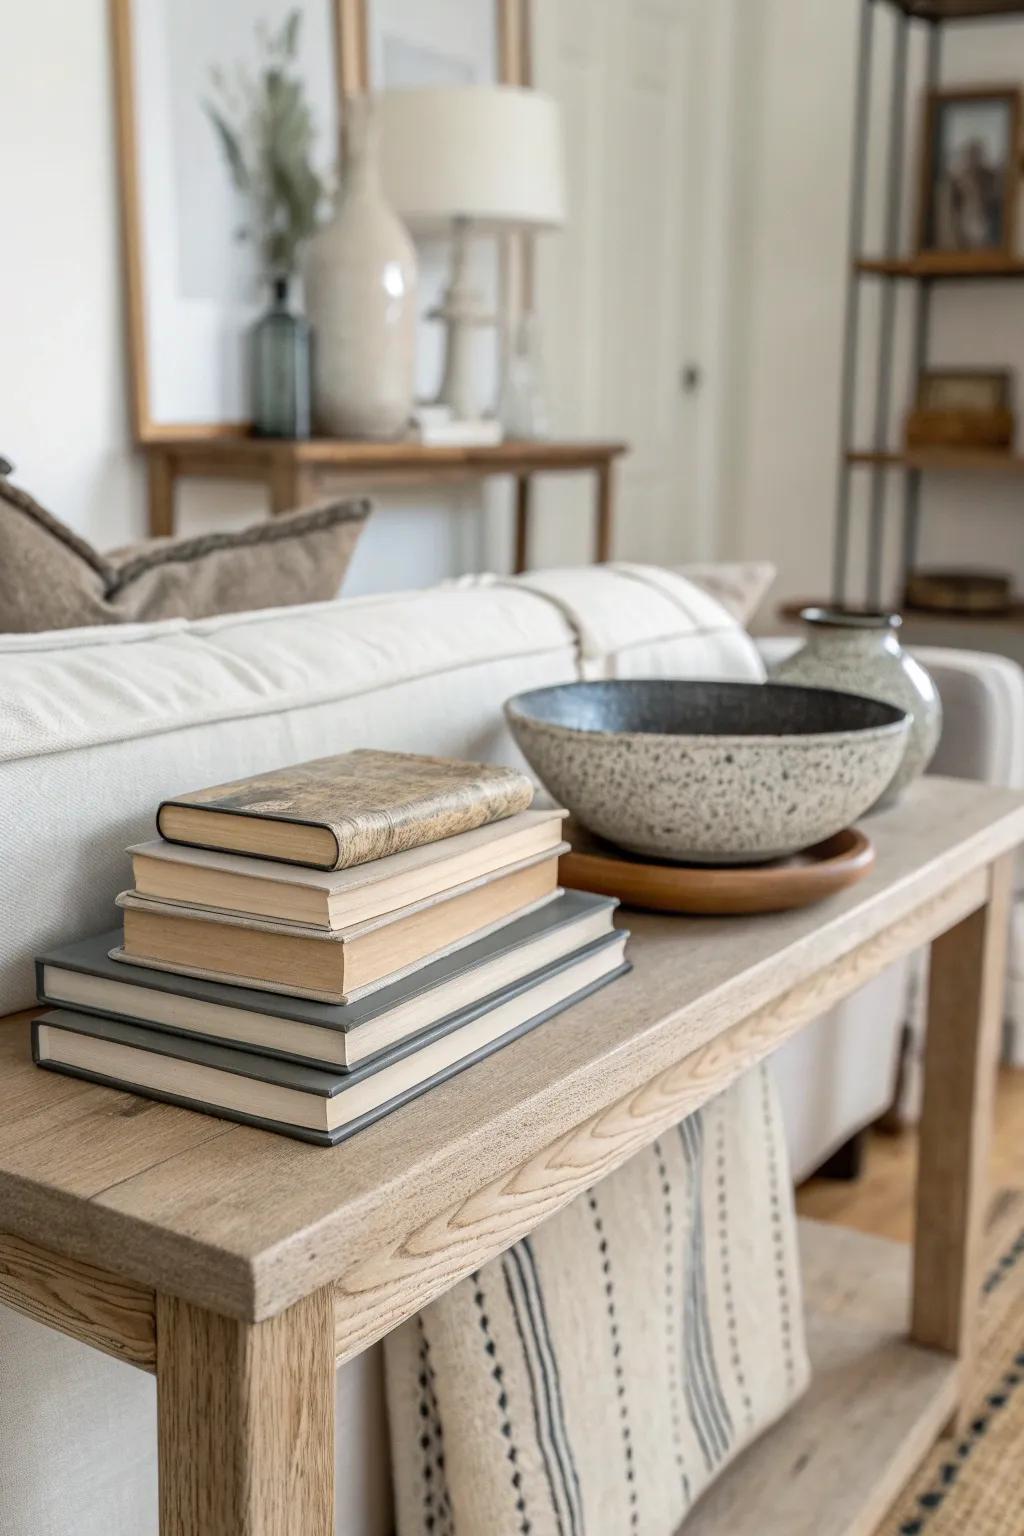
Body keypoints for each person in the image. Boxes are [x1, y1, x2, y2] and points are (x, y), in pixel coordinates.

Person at [934, 135, 1004, 250]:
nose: (974, 159)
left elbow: (995, 200)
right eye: (971, 154)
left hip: (985, 222)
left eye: (977, 154)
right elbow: (950, 209)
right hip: (964, 221)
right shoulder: (957, 178)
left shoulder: (989, 175)